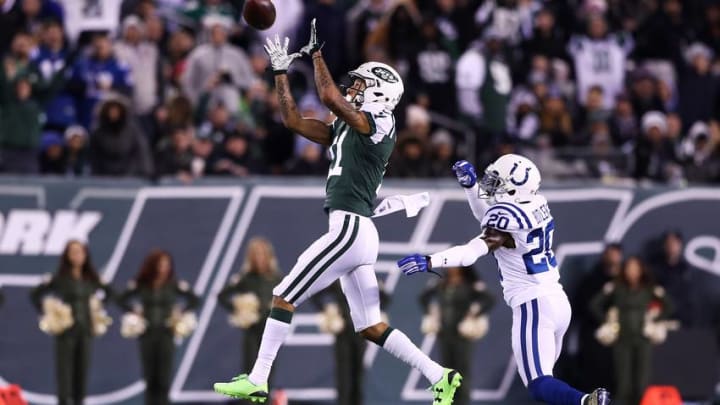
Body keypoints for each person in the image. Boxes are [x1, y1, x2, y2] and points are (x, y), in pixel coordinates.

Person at [213, 19, 462, 405]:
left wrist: (316, 55)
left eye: (362, 84)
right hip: (357, 231)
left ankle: (258, 378)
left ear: (381, 92)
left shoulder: (379, 121)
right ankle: (439, 375)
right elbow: (294, 121)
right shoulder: (349, 127)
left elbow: (329, 97)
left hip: (350, 229)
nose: (354, 88)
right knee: (371, 326)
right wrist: (280, 73)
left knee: (283, 295)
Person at [398, 154, 610, 405]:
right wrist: (471, 188)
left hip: (533, 304)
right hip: (557, 299)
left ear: (515, 189)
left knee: (539, 384)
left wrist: (431, 261)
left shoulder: (506, 219)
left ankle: (587, 401)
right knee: (549, 385)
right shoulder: (536, 202)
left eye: (499, 182)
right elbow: (489, 221)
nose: (493, 186)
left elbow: (471, 252)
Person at [30, 240, 112, 405]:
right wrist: (49, 314)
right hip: (66, 332)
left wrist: (98, 310)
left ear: (85, 254)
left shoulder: (91, 278)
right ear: (67, 256)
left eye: (80, 251)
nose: (77, 255)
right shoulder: (60, 278)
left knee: (81, 374)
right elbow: (35, 295)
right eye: (73, 252)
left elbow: (109, 293)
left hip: (85, 331)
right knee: (64, 375)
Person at [117, 249, 200, 405]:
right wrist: (134, 311)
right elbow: (121, 299)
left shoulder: (173, 284)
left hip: (166, 334)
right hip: (147, 334)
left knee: (164, 378)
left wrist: (180, 312)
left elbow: (195, 299)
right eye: (160, 264)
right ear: (152, 266)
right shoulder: (142, 284)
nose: (164, 268)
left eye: (167, 264)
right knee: (150, 377)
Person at [590, 256, 673, 405]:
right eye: (629, 268)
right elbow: (595, 304)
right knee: (623, 384)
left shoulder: (649, 287)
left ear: (641, 270)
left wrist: (655, 319)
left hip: (643, 339)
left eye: (635, 268)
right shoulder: (616, 287)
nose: (632, 272)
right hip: (622, 339)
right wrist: (607, 320)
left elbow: (669, 305)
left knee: (642, 382)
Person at [419, 266, 496, 405]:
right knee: (446, 371)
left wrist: (474, 314)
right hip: (445, 334)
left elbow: (489, 299)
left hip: (462, 335)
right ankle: (448, 402)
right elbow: (423, 297)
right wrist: (431, 312)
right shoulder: (441, 283)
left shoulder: (470, 284)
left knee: (461, 371)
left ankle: (462, 402)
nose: (451, 268)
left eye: (454, 264)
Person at [218, 237, 282, 379]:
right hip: (252, 332)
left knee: (268, 373)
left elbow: (287, 302)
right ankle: (249, 401)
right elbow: (222, 296)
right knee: (250, 371)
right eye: (255, 254)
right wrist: (240, 311)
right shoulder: (245, 278)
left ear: (268, 256)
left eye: (262, 254)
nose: (259, 258)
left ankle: (265, 400)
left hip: (270, 333)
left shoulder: (276, 278)